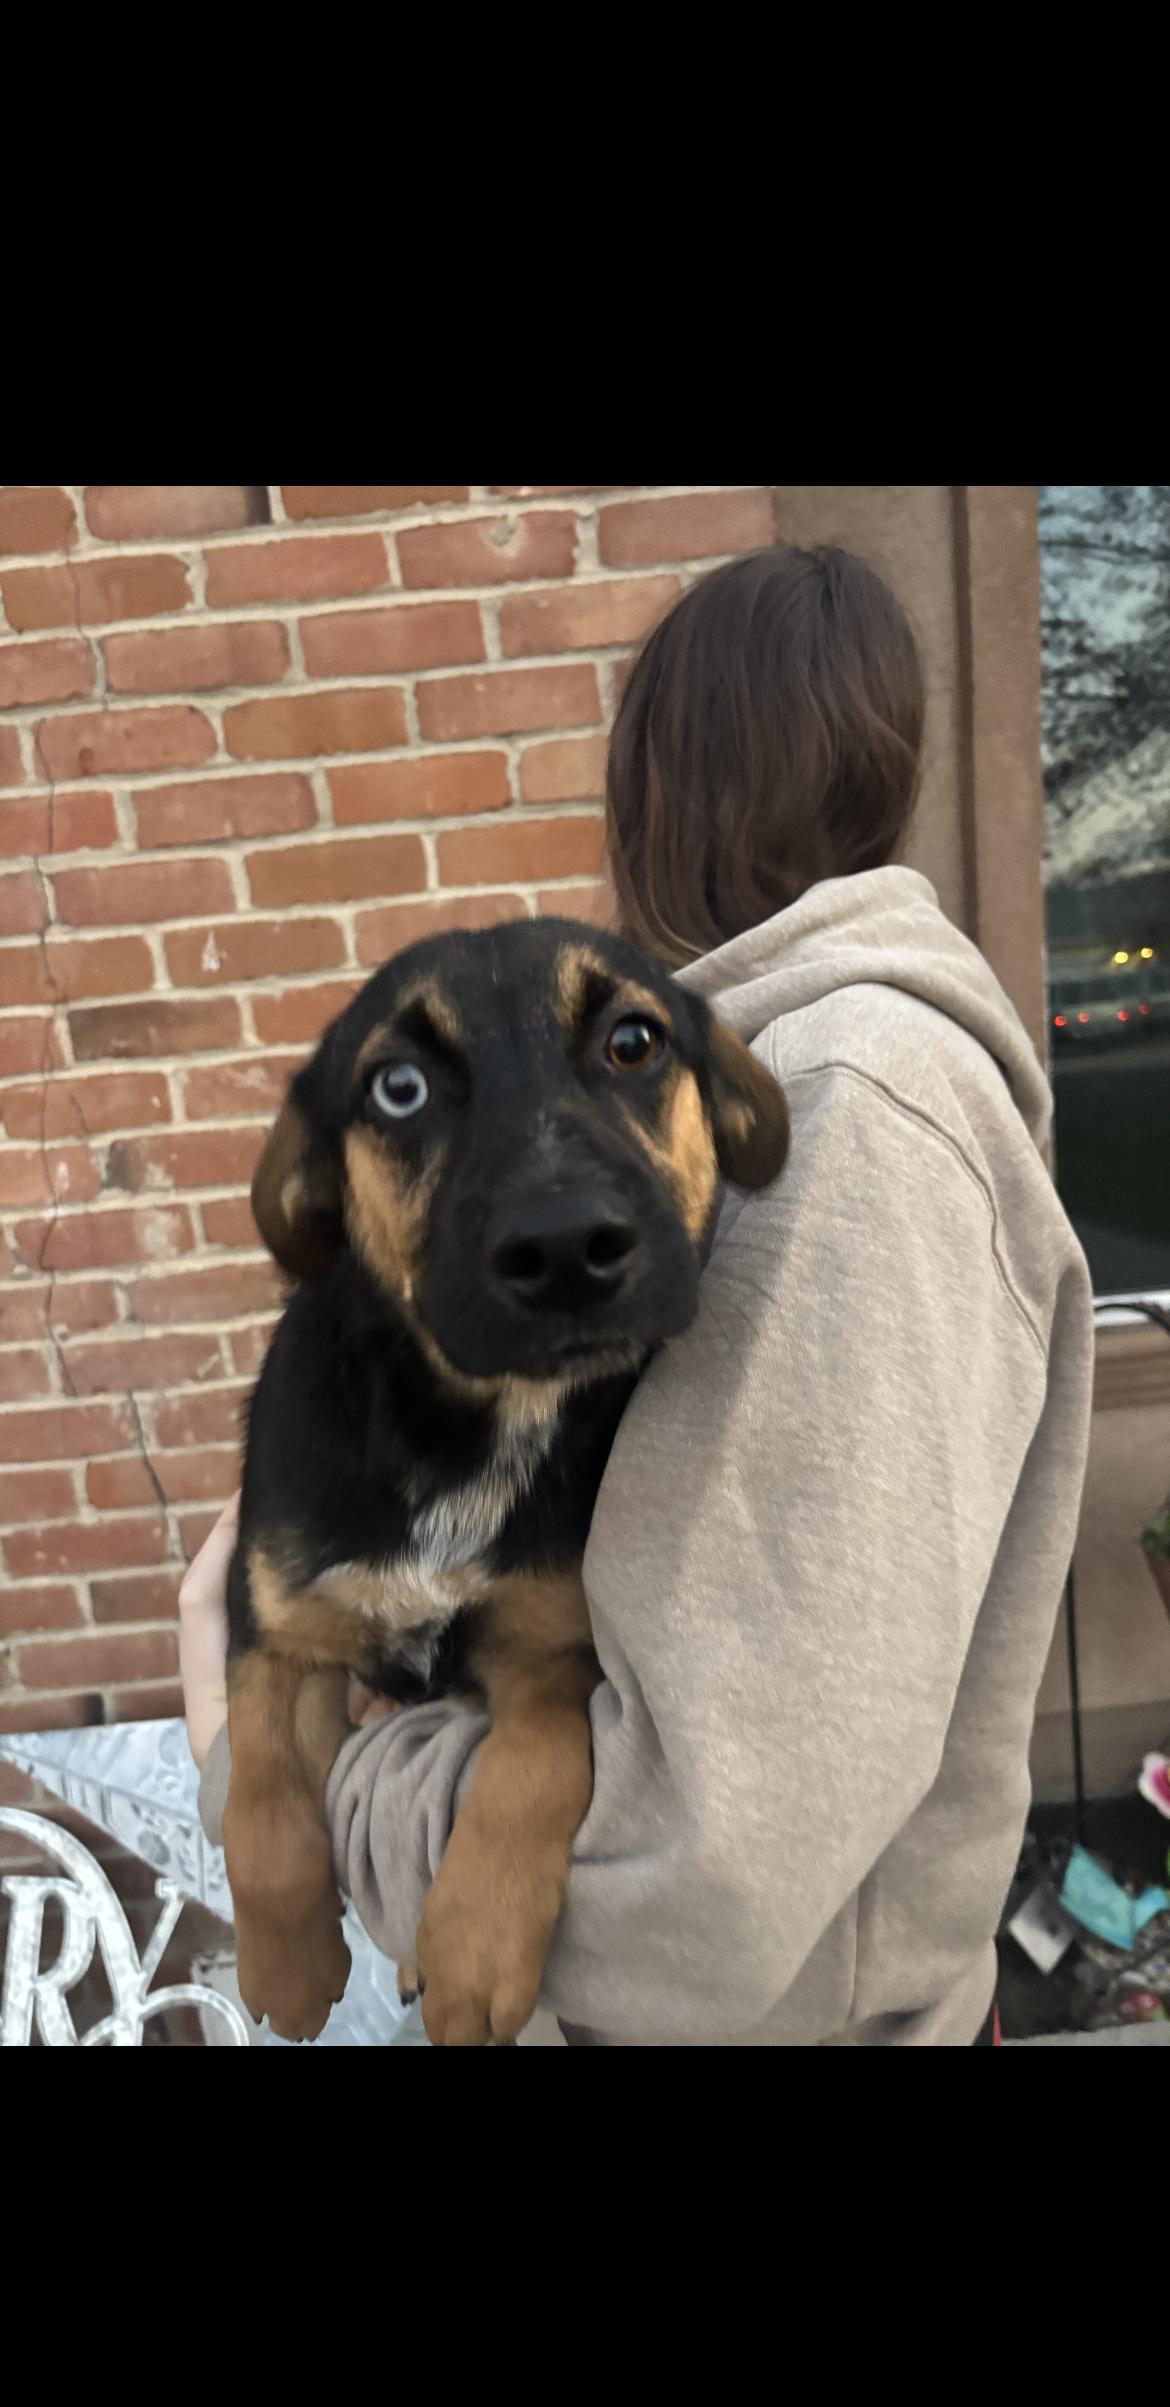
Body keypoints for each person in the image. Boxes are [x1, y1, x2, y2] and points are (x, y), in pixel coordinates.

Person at [180, 543, 1093, 2047]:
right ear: (889, 768)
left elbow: (695, 1884)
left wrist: (280, 1767)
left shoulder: (858, 1101)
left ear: (641, 798)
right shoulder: (750, 1066)